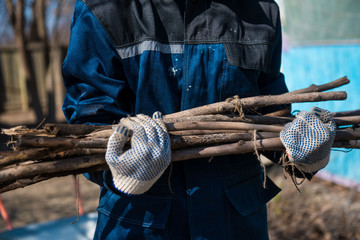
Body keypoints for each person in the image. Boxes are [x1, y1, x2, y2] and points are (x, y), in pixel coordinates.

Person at [62, 1, 335, 239]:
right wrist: (122, 165)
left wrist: (301, 150)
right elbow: (89, 118)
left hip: (236, 226)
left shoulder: (259, 11)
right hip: (140, 225)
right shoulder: (105, 9)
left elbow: (270, 118)